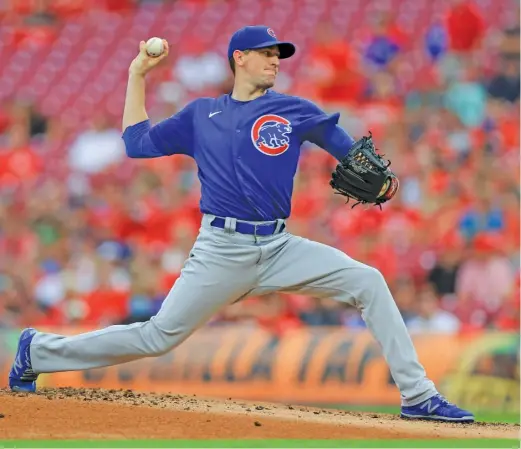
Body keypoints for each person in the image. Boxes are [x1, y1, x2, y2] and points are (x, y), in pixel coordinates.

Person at [9, 25, 474, 422]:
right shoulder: (201, 114)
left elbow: (341, 143)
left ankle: (418, 396)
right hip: (221, 250)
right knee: (157, 337)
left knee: (368, 281)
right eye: (267, 54)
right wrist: (136, 75)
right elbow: (136, 144)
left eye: (279, 55)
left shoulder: (293, 110)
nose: (275, 61)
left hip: (279, 247)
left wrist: (380, 179)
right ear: (240, 58)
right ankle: (37, 352)